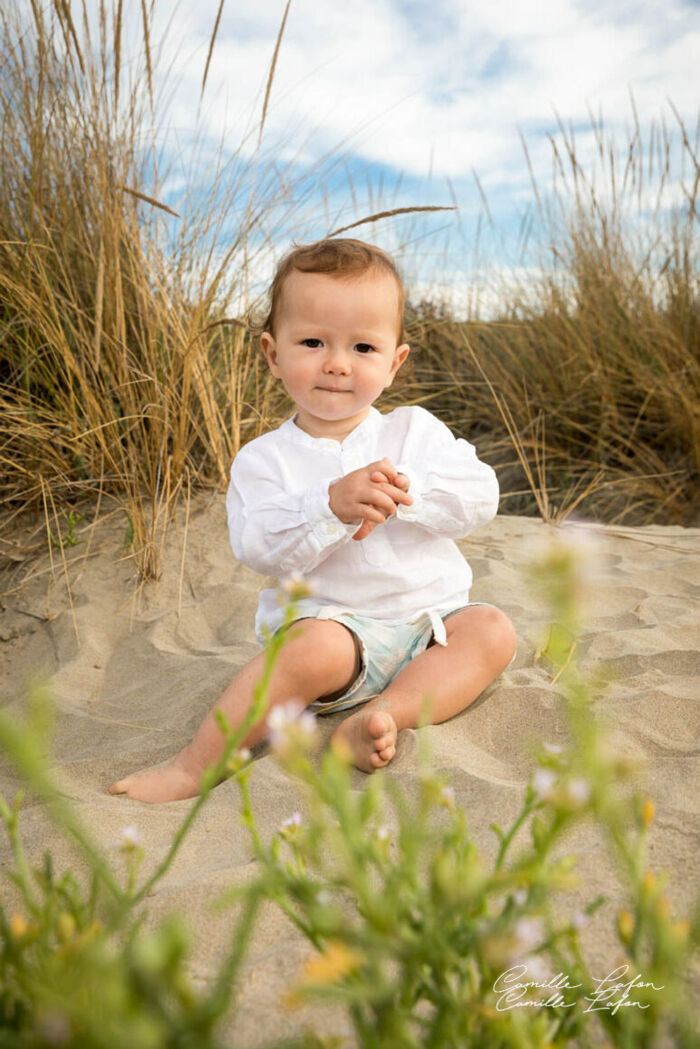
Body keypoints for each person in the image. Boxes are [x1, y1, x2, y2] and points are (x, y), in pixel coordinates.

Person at [109, 238, 517, 803]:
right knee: (307, 651)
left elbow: (481, 496)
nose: (337, 362)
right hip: (338, 633)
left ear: (394, 362)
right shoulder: (264, 459)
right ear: (273, 354)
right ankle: (193, 766)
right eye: (313, 342)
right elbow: (258, 545)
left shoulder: (413, 432)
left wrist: (409, 489)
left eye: (363, 347)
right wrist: (327, 506)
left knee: (493, 630)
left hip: (433, 626)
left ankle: (381, 717)